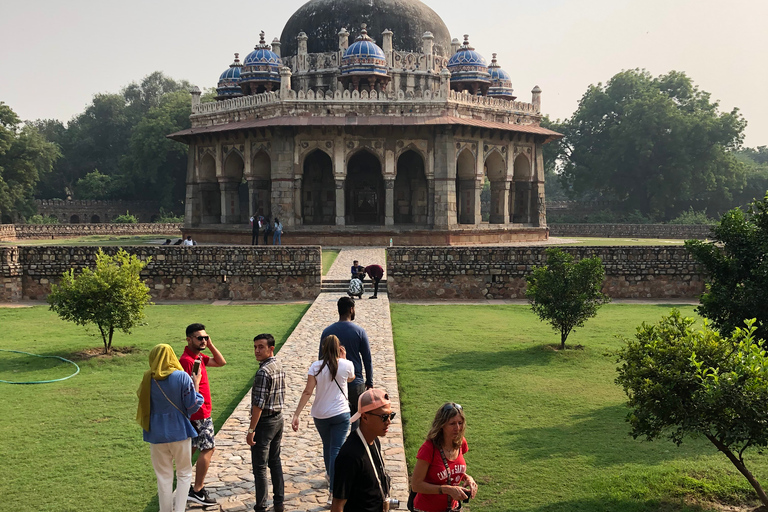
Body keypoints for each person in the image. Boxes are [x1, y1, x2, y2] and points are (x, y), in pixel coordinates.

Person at [137, 344, 204, 512]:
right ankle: (180, 510)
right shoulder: (181, 377)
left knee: (163, 477)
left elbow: (143, 401)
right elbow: (192, 405)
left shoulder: (147, 378)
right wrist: (196, 383)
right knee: (184, 473)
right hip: (179, 431)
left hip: (156, 433)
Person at [292, 335, 356, 504]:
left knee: (328, 446)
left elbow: (307, 391)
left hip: (320, 415)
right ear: (339, 348)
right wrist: (344, 358)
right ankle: (333, 490)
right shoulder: (346, 364)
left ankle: (330, 476)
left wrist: (297, 414)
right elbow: (351, 378)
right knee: (336, 449)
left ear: (323, 348)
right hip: (340, 413)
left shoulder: (316, 366)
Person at [179, 323, 227, 506]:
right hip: (199, 413)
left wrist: (211, 344)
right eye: (200, 338)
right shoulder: (188, 361)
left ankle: (186, 486)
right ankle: (197, 490)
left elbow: (221, 362)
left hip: (201, 411)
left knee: (190, 450)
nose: (204, 341)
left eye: (206, 337)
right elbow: (190, 390)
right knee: (208, 448)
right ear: (189, 339)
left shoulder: (197, 357)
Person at [331, 389, 396, 512]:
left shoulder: (374, 440)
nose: (389, 422)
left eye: (391, 415)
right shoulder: (349, 456)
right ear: (365, 417)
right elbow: (337, 505)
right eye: (384, 417)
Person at [410, 403, 478, 512]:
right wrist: (446, 490)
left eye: (460, 423)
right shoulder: (428, 448)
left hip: (453, 508)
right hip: (427, 509)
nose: (458, 428)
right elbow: (416, 485)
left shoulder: (461, 443)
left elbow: (450, 470)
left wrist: (467, 478)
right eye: (452, 424)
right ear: (442, 425)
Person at [246, 333, 286, 512]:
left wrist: (251, 429)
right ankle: (279, 502)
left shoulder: (263, 372)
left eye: (261, 347)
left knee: (260, 467)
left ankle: (261, 506)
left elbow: (258, 404)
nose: (256, 351)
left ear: (271, 348)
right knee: (275, 461)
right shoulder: (278, 365)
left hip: (265, 423)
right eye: (255, 347)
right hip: (278, 418)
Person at [321, 297, 373, 431]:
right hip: (355, 382)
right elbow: (367, 358)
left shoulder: (327, 332)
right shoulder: (359, 331)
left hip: (333, 382)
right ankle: (354, 444)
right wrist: (370, 381)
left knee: (337, 418)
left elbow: (322, 360)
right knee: (358, 416)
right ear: (351, 309)